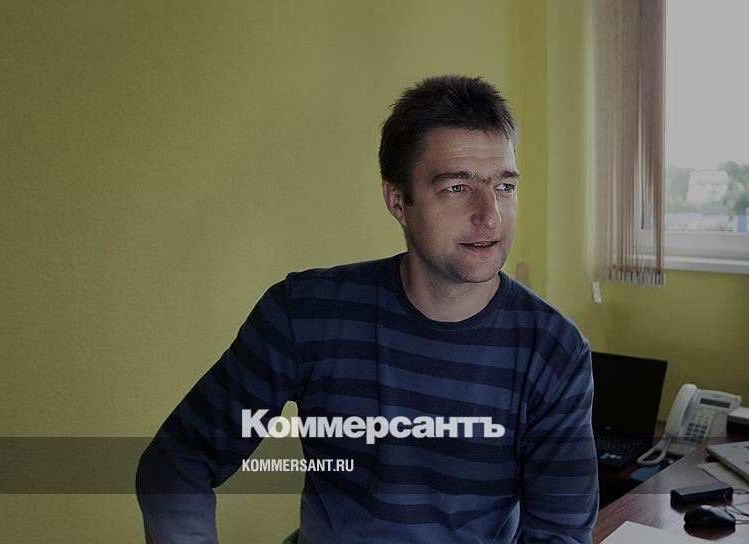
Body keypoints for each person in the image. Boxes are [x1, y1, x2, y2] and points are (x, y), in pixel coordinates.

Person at [136, 74, 598, 543]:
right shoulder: (305, 313)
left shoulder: (553, 350)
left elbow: (559, 534)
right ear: (398, 201)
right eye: (457, 187)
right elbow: (179, 459)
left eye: (504, 186)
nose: (490, 215)